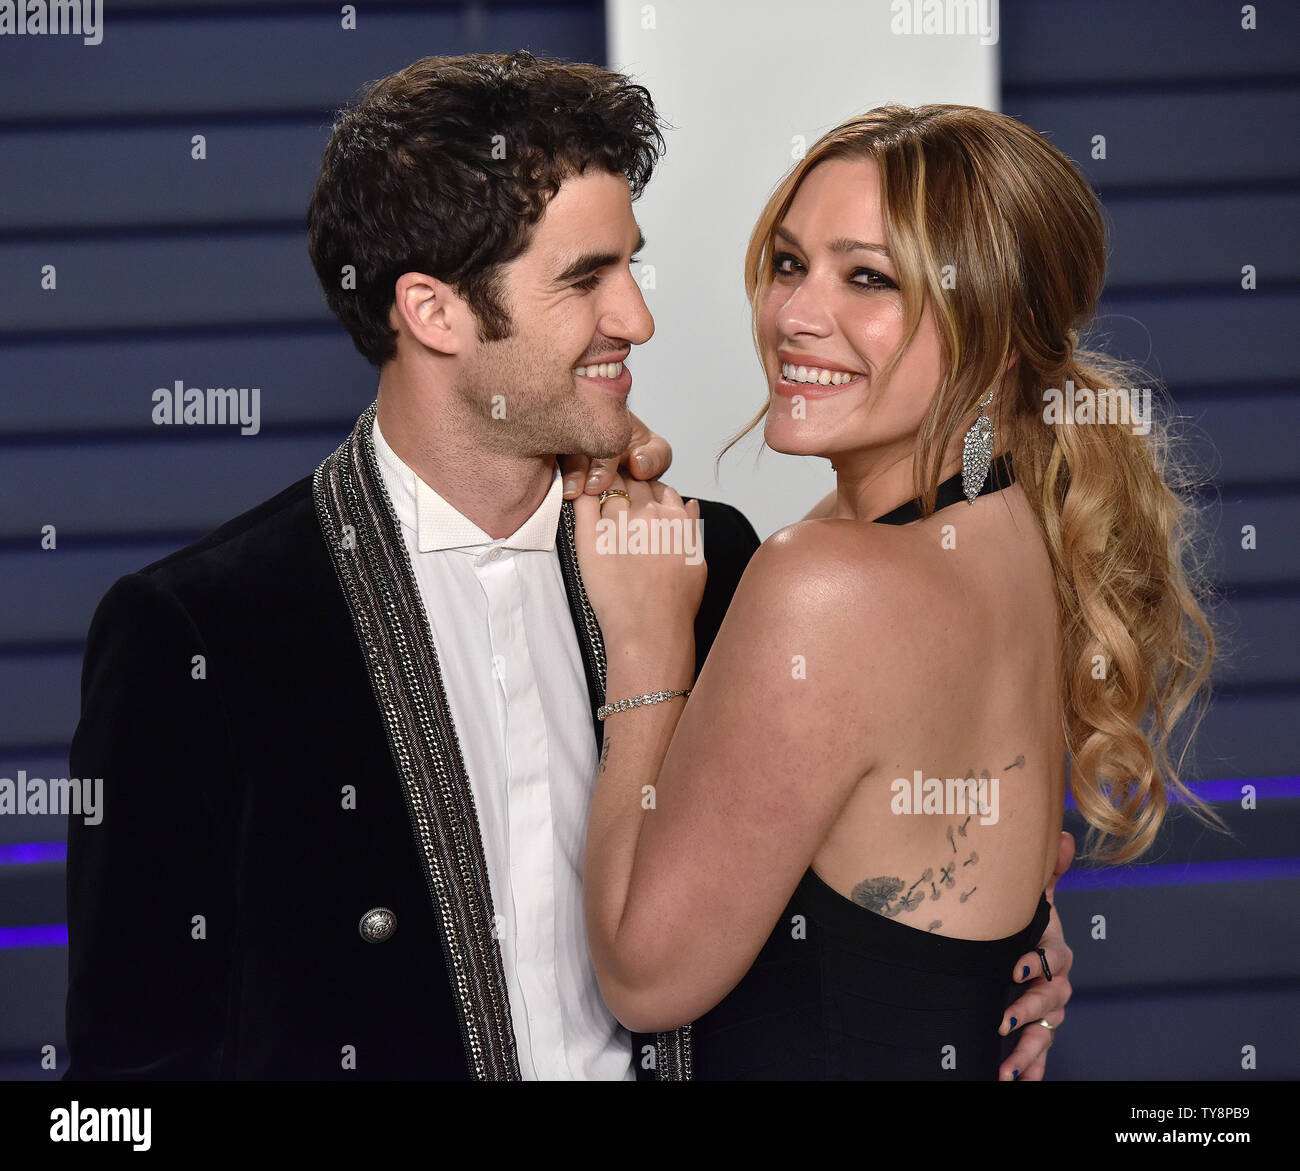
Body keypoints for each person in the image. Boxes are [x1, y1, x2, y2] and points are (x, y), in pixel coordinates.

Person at [64, 57, 1070, 1081]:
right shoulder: (205, 633)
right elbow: (128, 1079)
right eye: (586, 278)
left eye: (631, 266)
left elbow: (869, 844)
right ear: (433, 312)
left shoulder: (719, 566)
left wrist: (997, 940)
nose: (637, 317)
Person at [574, 103, 1216, 1079]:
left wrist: (648, 647)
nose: (794, 314)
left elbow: (645, 976)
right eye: (789, 263)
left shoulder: (825, 584)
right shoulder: (1019, 528)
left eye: (867, 278)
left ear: (998, 331)